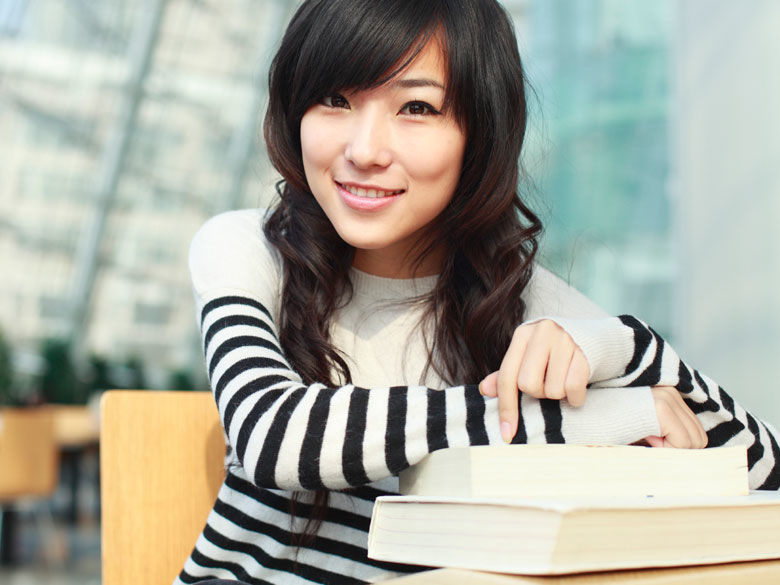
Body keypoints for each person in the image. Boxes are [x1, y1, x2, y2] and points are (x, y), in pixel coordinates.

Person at [177, 1, 780, 584]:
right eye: (335, 100)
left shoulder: (523, 306)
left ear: (480, 134)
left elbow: (766, 478)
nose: (363, 151)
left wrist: (623, 349)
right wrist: (583, 420)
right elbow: (271, 433)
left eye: (416, 107)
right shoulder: (249, 250)